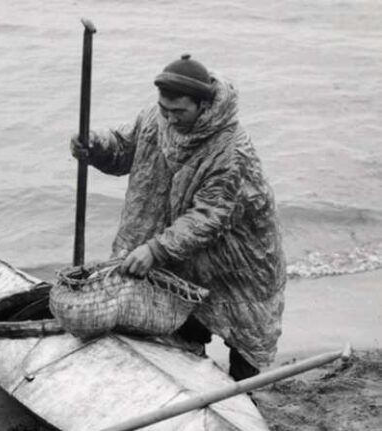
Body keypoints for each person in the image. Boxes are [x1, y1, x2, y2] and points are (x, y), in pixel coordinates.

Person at [70, 53, 286, 381]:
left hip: (240, 255)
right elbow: (124, 149)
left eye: (179, 111)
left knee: (243, 330)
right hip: (181, 244)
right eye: (164, 109)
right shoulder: (156, 119)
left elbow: (208, 217)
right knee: (182, 318)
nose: (169, 119)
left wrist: (155, 250)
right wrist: (95, 146)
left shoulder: (230, 151)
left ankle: (243, 397)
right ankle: (187, 378)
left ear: (203, 105)